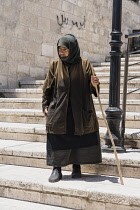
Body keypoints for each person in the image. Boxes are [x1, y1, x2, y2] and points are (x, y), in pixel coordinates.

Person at [42, 34, 102, 183]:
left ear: (72, 49)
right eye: (59, 49)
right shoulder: (55, 65)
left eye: (65, 49)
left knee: (78, 137)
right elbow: (48, 86)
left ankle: (77, 166)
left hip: (80, 109)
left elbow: (93, 88)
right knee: (57, 138)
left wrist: (94, 83)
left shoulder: (85, 64)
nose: (61, 52)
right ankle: (57, 168)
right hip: (59, 109)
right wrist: (45, 104)